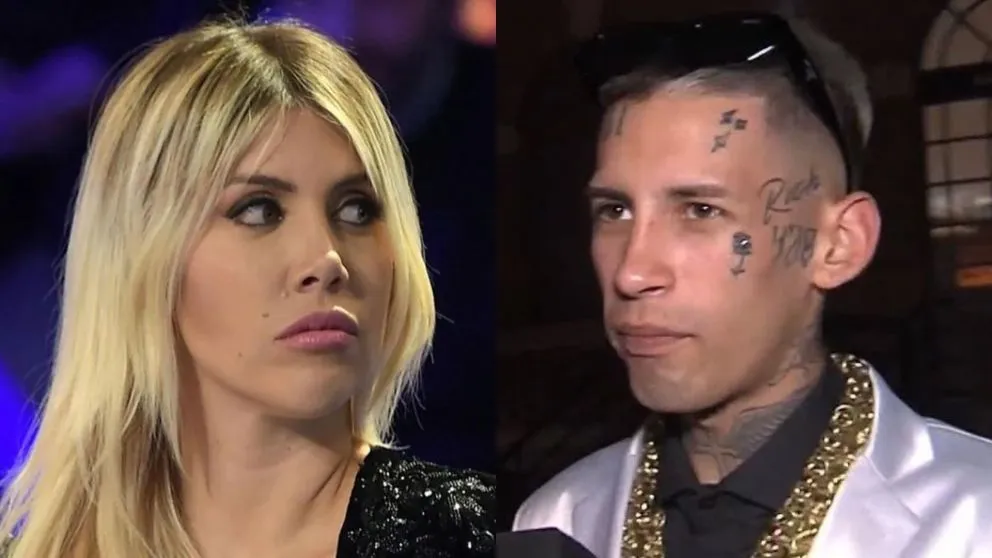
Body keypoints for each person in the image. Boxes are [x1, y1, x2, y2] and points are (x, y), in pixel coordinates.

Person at [0, 16, 494, 558]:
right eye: (258, 210)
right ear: (144, 255)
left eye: (357, 209)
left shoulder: (472, 537)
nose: (327, 259)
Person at [513, 11, 992, 558]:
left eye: (700, 209)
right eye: (615, 210)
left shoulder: (975, 523)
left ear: (837, 245)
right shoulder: (557, 518)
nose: (632, 273)